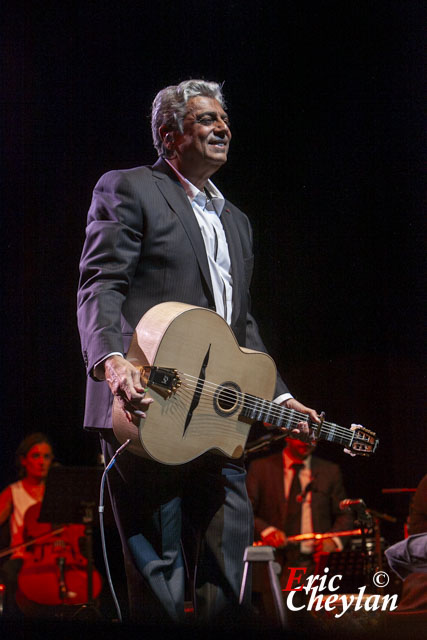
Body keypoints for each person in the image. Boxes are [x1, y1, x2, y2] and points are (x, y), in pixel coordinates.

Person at [77, 79, 319, 625]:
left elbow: (241, 326)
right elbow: (102, 284)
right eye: (206, 119)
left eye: (224, 119)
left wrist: (281, 397)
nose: (223, 127)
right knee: (159, 582)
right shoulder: (130, 188)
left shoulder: (237, 221)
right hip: (147, 406)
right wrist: (110, 361)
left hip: (215, 417)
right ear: (168, 135)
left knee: (226, 570)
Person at [246, 436, 352, 618]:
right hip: (276, 564)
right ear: (287, 434)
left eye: (313, 438)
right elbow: (245, 511)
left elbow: (345, 514)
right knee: (279, 621)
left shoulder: (329, 471)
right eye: (302, 437)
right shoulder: (261, 468)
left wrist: (333, 540)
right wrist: (267, 531)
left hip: (313, 565)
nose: (308, 442)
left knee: (315, 625)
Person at [0, 433, 54, 617]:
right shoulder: (13, 492)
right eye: (36, 456)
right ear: (24, 461)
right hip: (22, 559)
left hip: (56, 556)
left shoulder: (58, 492)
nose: (42, 462)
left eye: (46, 457)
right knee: (10, 572)